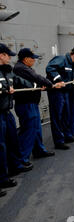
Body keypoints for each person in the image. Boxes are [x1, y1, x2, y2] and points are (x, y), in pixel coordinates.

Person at [0, 44, 33, 195]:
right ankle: (1, 179)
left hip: (7, 112)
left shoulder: (7, 72)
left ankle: (13, 168)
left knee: (12, 140)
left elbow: (21, 81)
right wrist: (4, 91)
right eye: (8, 55)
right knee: (1, 146)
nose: (10, 58)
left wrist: (39, 85)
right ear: (1, 55)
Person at [13, 48, 56, 164]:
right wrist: (50, 84)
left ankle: (39, 150)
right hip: (26, 104)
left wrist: (41, 85)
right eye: (33, 58)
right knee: (28, 131)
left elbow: (33, 82)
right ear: (26, 59)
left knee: (36, 129)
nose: (34, 61)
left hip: (32, 103)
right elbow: (37, 77)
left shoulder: (25, 68)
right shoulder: (21, 68)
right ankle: (22, 158)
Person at [46, 46, 74, 150]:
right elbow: (50, 68)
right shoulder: (62, 59)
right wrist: (58, 80)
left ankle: (67, 136)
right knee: (57, 117)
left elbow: (68, 78)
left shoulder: (72, 64)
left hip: (65, 92)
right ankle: (59, 141)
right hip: (56, 93)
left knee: (65, 115)